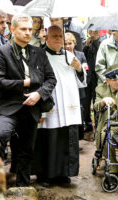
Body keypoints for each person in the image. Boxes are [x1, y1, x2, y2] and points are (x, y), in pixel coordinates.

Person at [0, 14, 56, 186]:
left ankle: (23, 186)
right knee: (0, 136)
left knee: (27, 149)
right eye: (23, 29)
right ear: (13, 30)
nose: (28, 33)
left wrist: (39, 94)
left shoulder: (39, 53)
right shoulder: (1, 51)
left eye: (30, 29)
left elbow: (51, 79)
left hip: (32, 107)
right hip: (8, 106)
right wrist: (24, 83)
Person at [32, 25, 86, 186]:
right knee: (48, 139)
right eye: (54, 36)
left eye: (60, 36)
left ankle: (64, 174)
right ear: (46, 38)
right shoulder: (39, 56)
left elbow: (82, 82)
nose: (57, 39)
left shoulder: (70, 56)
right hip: (50, 105)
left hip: (69, 105)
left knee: (66, 139)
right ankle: (45, 175)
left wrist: (79, 69)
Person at [65, 32, 88, 139]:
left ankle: (78, 137)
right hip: (66, 89)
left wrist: (79, 68)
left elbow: (85, 70)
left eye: (70, 43)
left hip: (79, 89)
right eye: (65, 44)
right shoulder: (61, 55)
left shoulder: (81, 55)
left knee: (79, 110)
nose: (68, 46)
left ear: (74, 43)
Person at [83, 30, 103, 132]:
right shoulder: (86, 43)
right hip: (87, 77)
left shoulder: (101, 43)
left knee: (96, 102)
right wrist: (86, 45)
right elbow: (83, 57)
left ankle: (97, 124)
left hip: (97, 77)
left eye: (95, 31)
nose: (92, 33)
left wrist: (95, 40)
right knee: (86, 103)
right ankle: (88, 123)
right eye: (90, 31)